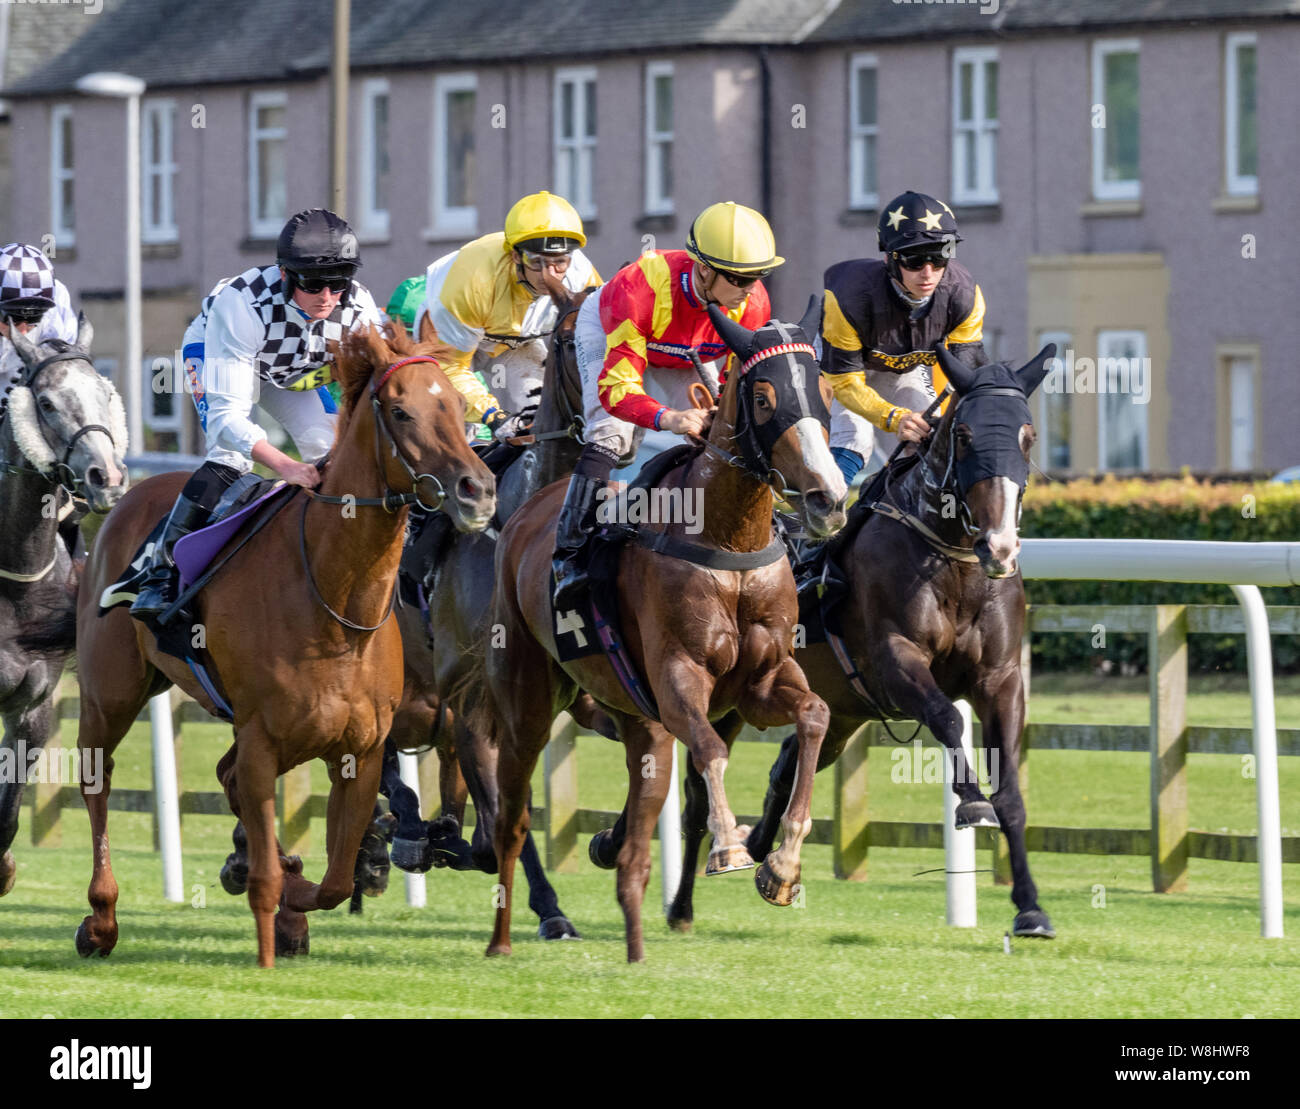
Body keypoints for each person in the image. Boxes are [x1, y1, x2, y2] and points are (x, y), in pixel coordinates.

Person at [130, 208, 382, 622]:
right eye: (315, 283)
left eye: (338, 283)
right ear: (286, 275)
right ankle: (159, 571)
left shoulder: (359, 308)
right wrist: (286, 467)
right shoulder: (241, 304)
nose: (327, 297)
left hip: (291, 372)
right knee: (232, 457)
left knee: (327, 445)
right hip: (222, 354)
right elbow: (229, 422)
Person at [551, 200, 779, 609]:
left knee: (721, 431)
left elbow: (733, 390)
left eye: (759, 276)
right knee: (612, 436)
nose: (751, 288)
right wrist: (668, 417)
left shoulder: (753, 304)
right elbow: (617, 390)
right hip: (611, 332)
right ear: (704, 268)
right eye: (741, 278)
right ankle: (569, 554)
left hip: (682, 349)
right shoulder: (639, 287)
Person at [819, 190, 988, 485]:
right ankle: (821, 519)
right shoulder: (847, 298)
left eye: (939, 257)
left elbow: (963, 375)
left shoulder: (965, 296)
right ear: (890, 258)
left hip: (903, 368)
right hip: (838, 370)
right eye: (914, 260)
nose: (928, 272)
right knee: (855, 438)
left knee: (929, 432)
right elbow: (845, 383)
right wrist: (894, 418)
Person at [414, 190, 600, 442]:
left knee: (541, 419)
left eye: (560, 261)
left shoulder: (583, 277)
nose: (550, 275)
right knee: (452, 429)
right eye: (537, 262)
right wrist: (494, 416)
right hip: (452, 344)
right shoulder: (472, 283)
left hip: (516, 343)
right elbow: (450, 367)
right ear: (515, 256)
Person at [0, 242, 88, 557]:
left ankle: (80, 563)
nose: (23, 329)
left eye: (32, 319)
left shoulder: (57, 301)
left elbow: (57, 376)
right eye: (12, 319)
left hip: (23, 374)